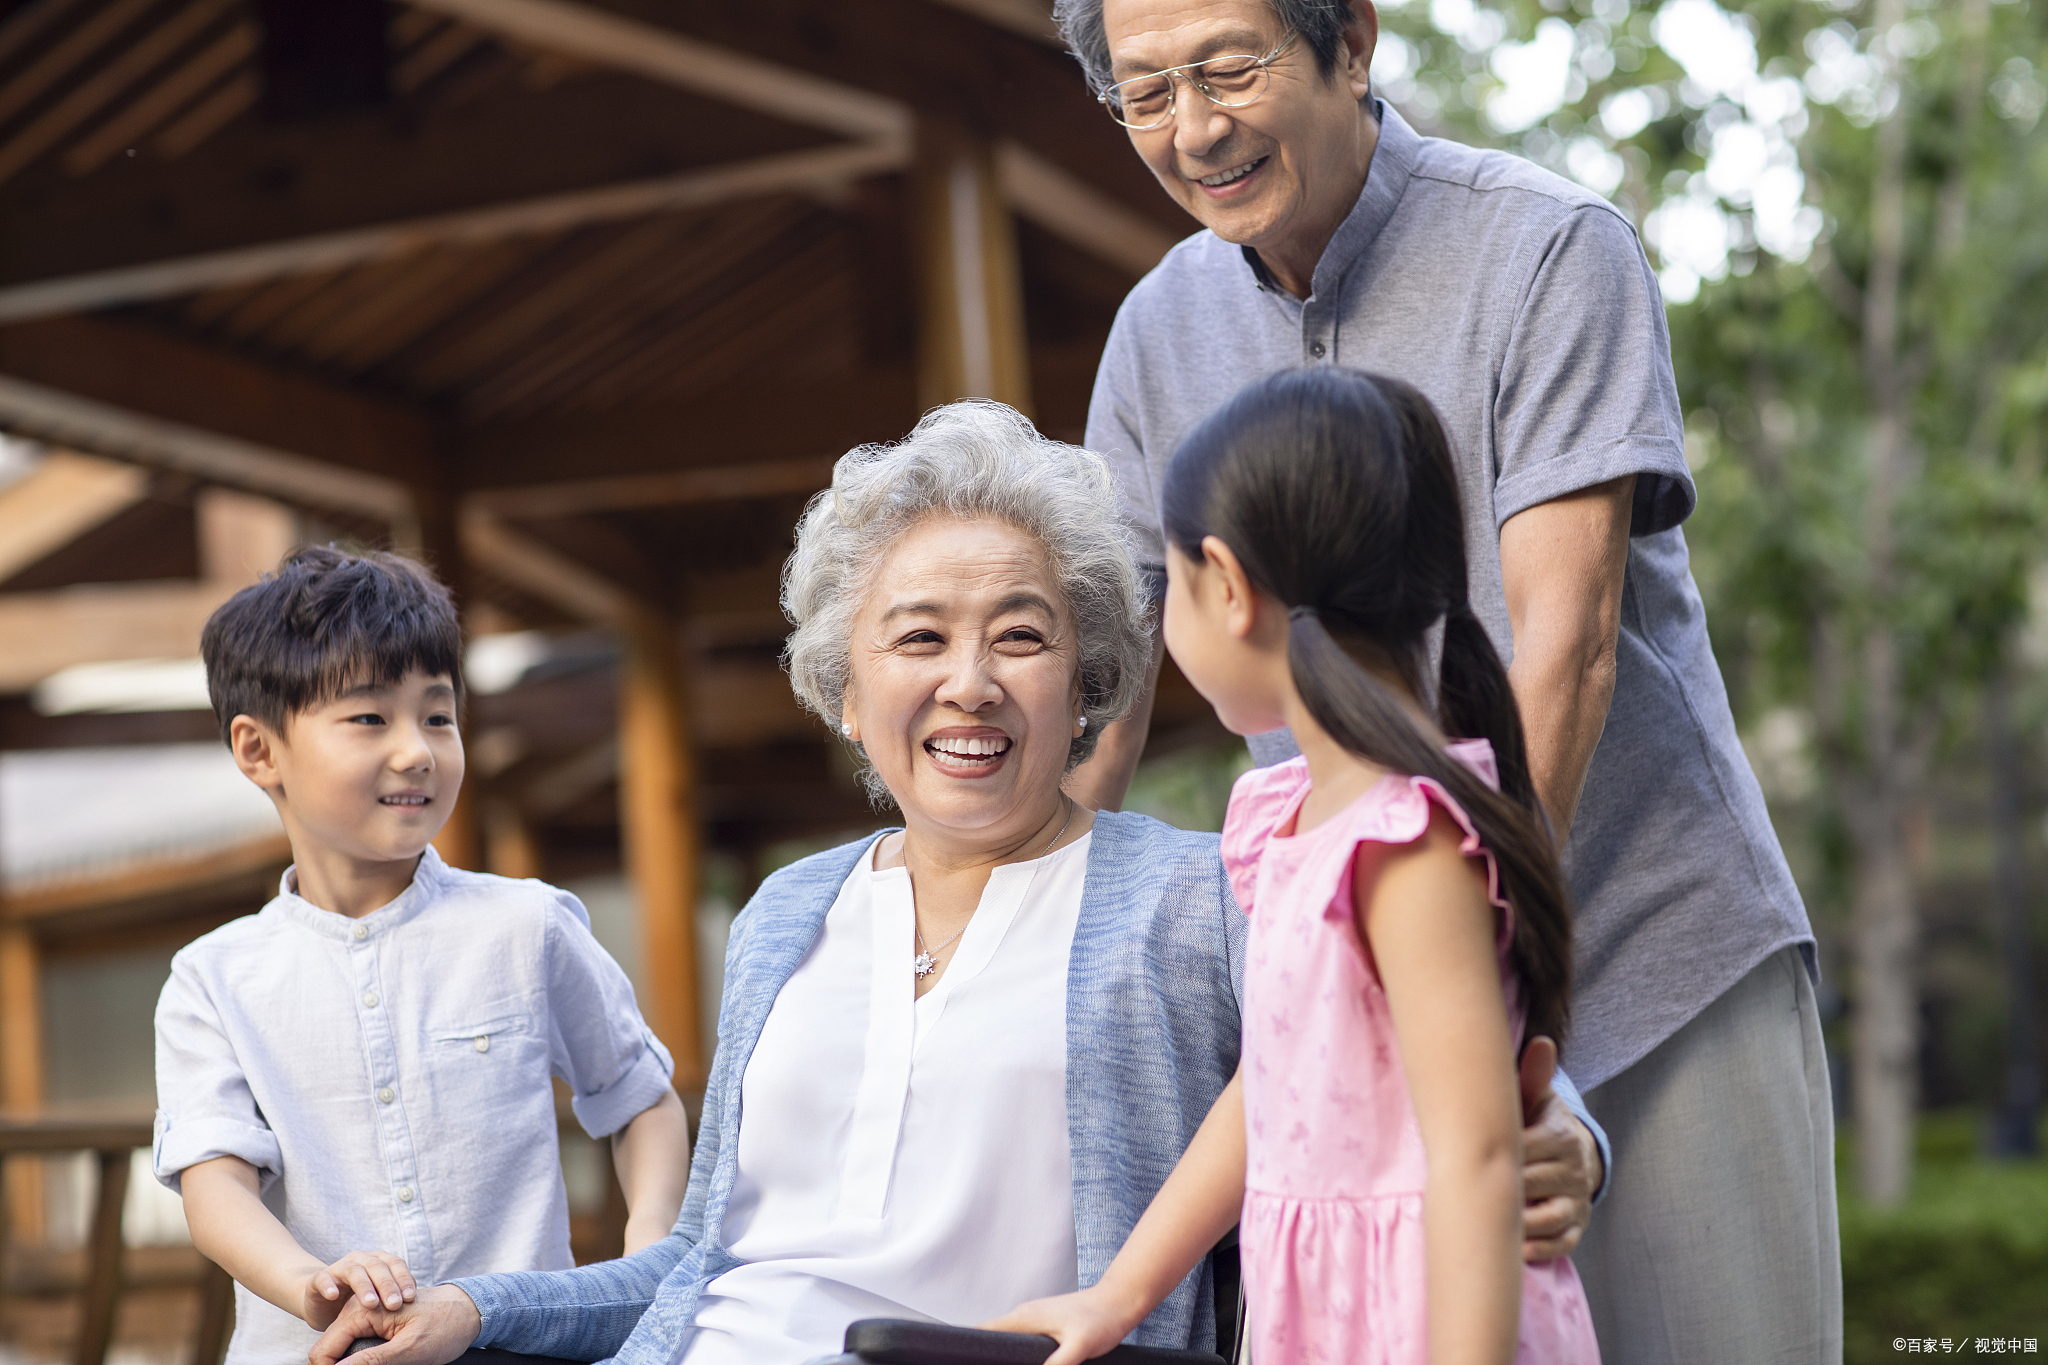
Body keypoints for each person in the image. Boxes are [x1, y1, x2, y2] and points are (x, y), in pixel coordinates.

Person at [310, 402, 1604, 1365]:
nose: (969, 681)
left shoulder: (1197, 889)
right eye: (918, 636)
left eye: (1022, 635)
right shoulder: (784, 918)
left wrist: (1569, 1146)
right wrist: (476, 1306)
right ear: (848, 681)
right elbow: (699, 1262)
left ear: (1089, 671)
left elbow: (1421, 1039)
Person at [1051, 0, 1838, 1357]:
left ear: (1350, 40)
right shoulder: (1154, 338)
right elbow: (1105, 696)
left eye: (1230, 67)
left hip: (1650, 949)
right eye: (1146, 91)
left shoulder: (1546, 248)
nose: (1196, 128)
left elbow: (1568, 643)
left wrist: (1475, 996)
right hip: (1368, 994)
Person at [991, 369, 1597, 1364]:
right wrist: (1117, 1295)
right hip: (1327, 1314)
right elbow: (1271, 1086)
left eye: (1166, 593)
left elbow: (1478, 1160)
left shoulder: (1403, 843)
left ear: (1227, 589)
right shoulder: (1300, 820)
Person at [153, 546, 691, 1365]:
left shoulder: (528, 925)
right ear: (259, 750)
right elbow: (213, 1182)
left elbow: (640, 1096)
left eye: (437, 716)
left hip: (521, 1345)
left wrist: (646, 1260)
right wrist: (309, 1282)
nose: (418, 750)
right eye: (370, 718)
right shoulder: (214, 977)